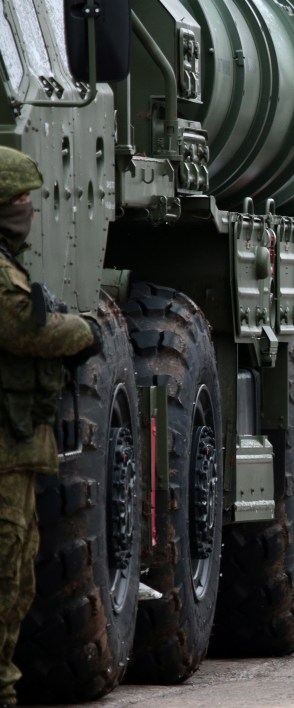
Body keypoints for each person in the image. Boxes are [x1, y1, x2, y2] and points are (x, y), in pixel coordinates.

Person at [0, 147, 102, 706]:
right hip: (6, 450)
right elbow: (25, 329)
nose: (28, 210)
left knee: (17, 576)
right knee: (6, 574)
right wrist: (83, 331)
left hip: (16, 447)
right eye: (19, 201)